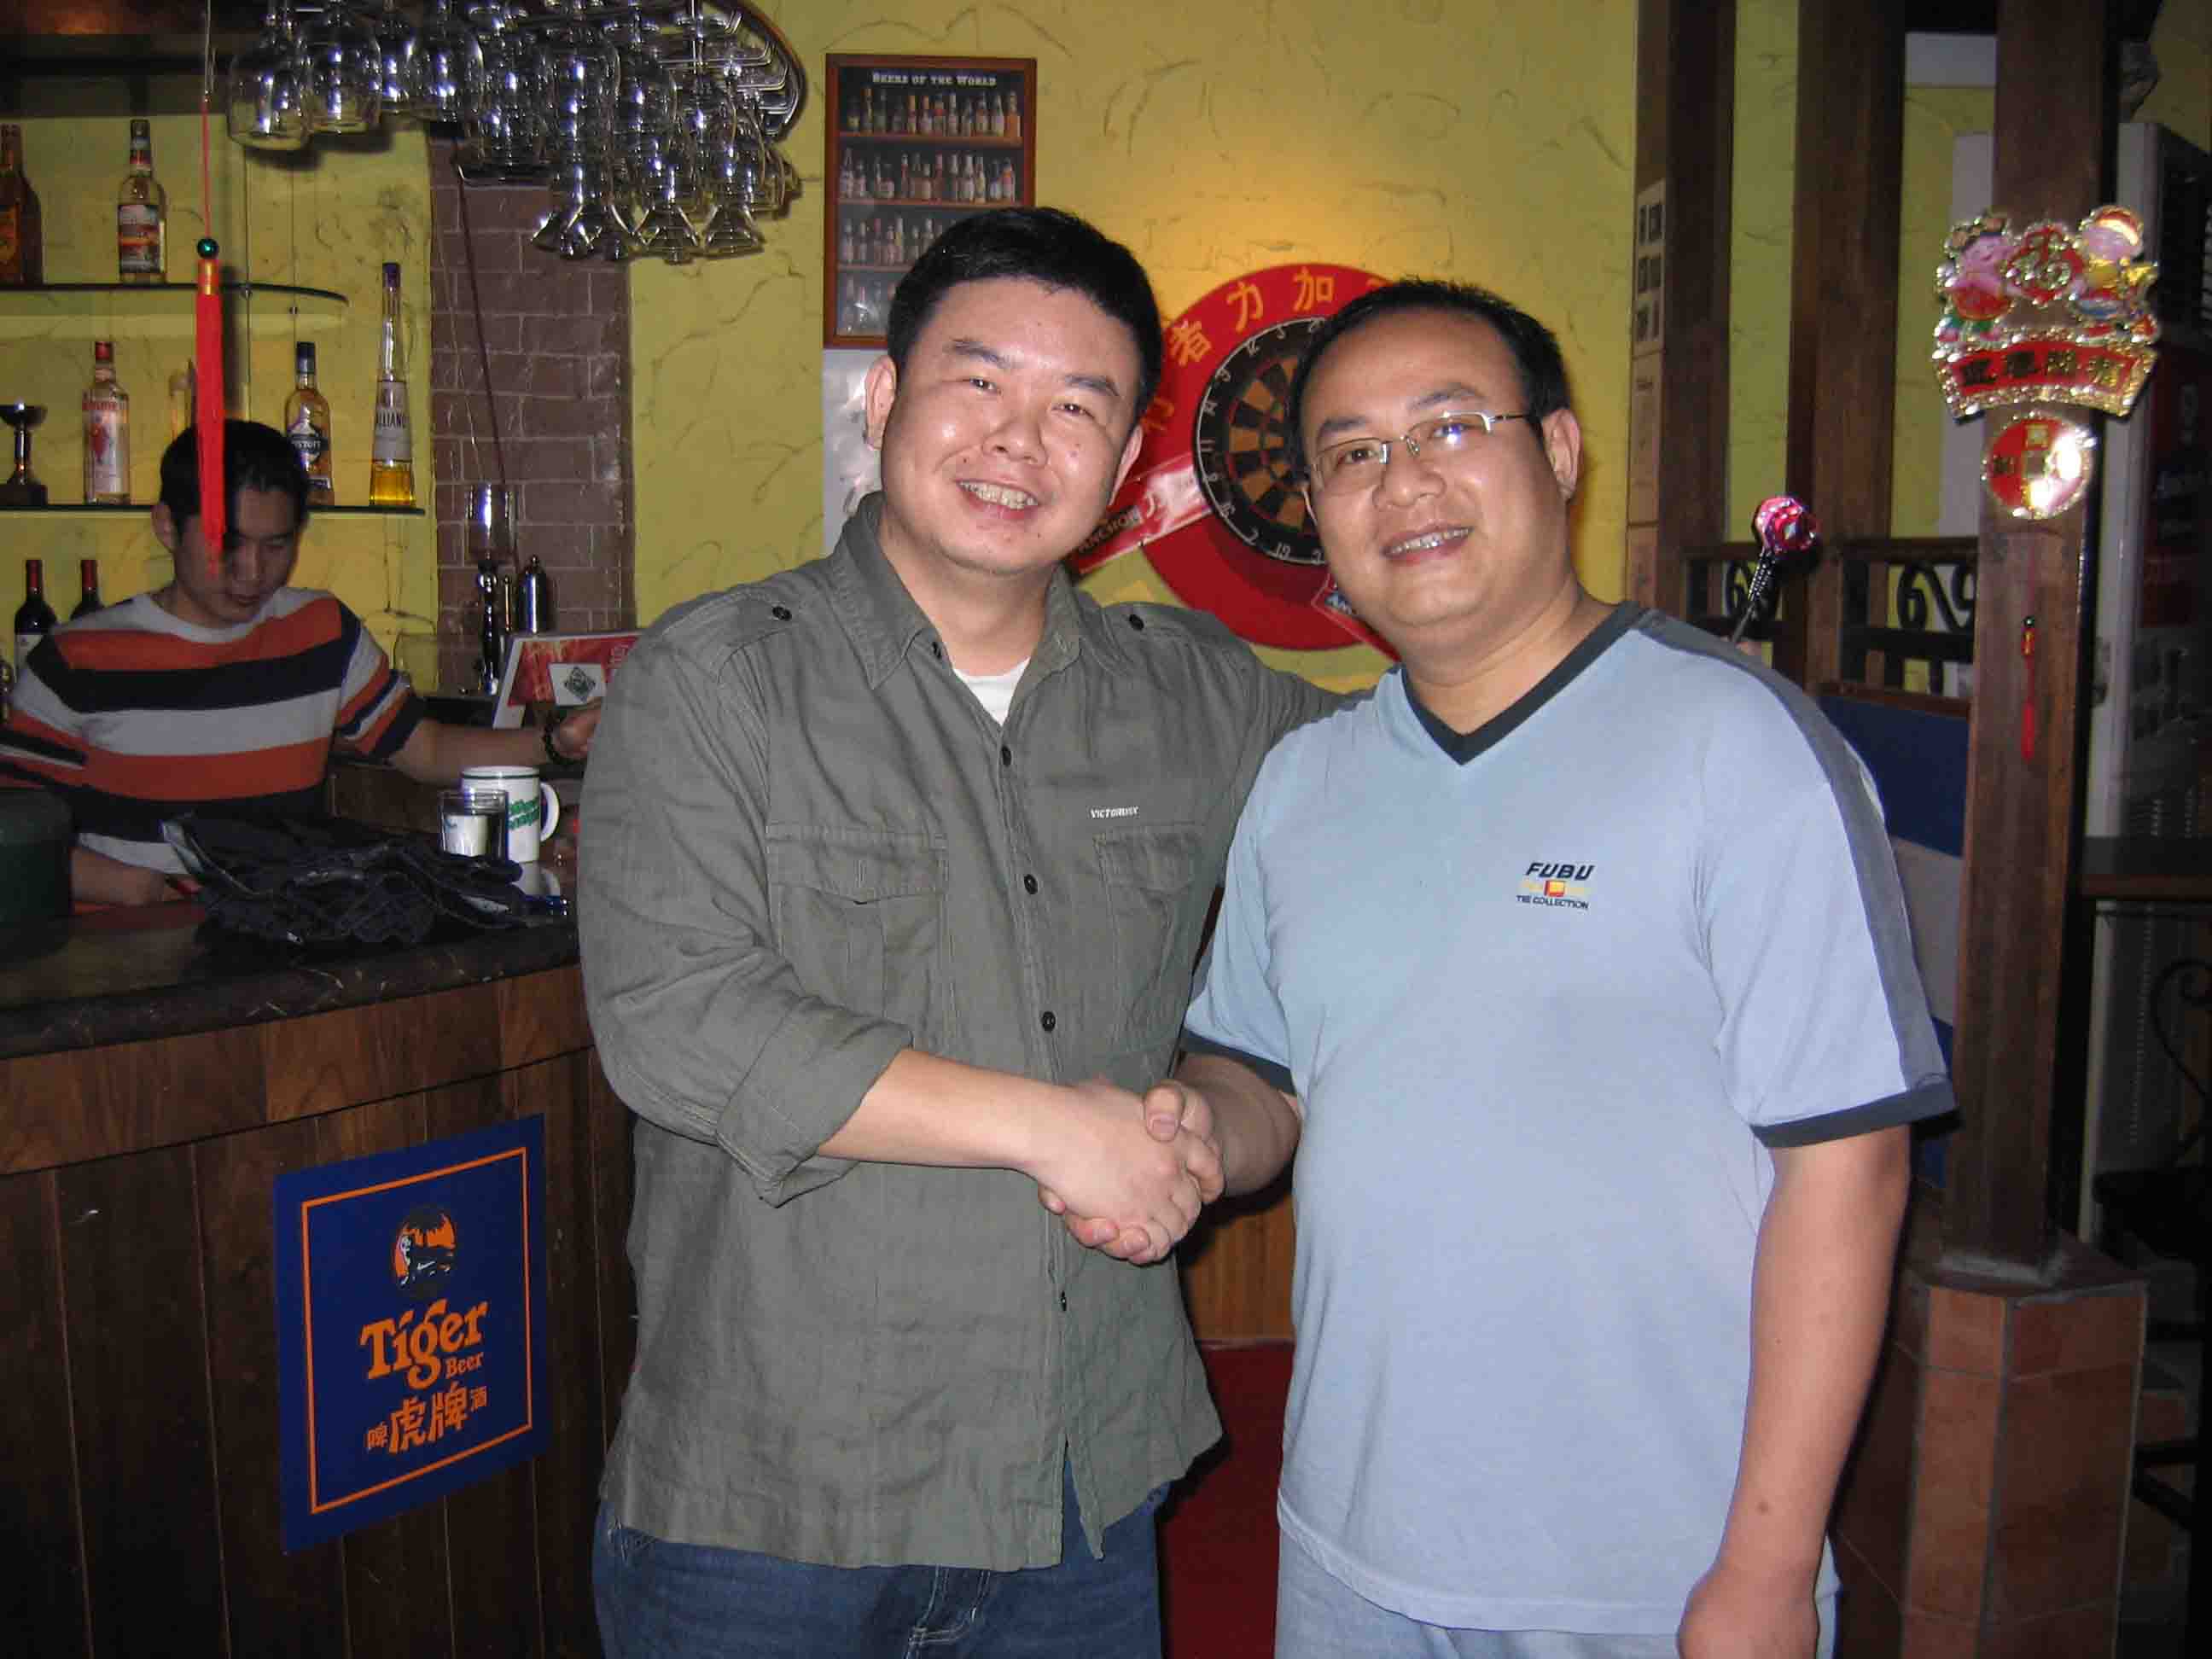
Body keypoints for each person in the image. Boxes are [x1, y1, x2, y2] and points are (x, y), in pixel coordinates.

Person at [577, 206, 1335, 1657]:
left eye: (1076, 408)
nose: (1017, 440)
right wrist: (1057, 1130)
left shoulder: (1196, 696)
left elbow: (1411, 785)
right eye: (977, 380)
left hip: (1078, 1485)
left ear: (1124, 466)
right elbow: (678, 1020)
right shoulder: (717, 677)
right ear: (883, 398)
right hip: (773, 1500)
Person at [1157, 281, 1954, 1657]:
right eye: (1352, 453)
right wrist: (1186, 1131)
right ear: (1319, 512)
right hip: (1349, 1545)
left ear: (1563, 452)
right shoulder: (1304, 781)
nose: (1403, 482)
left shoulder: (1735, 743)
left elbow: (1850, 1166)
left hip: (1651, 1572)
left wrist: (1767, 1570)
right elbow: (1262, 1076)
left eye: (1451, 426)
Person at [0, 420, 598, 905]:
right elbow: (10, 837)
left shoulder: (321, 631)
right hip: (122, 959)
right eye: (228, 545)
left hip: (279, 942)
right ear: (166, 526)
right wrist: (137, 888)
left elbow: (429, 750)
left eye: (276, 545)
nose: (252, 572)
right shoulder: (76, 661)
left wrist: (558, 742)